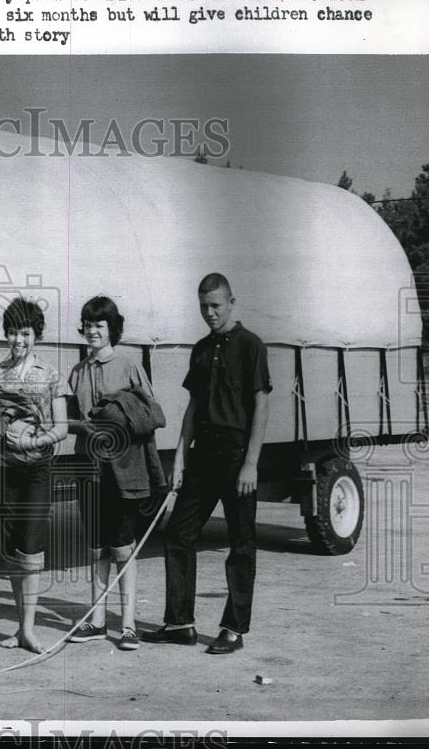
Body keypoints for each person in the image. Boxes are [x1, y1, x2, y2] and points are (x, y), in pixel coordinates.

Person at [143, 273, 270, 654]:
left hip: (236, 454)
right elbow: (193, 408)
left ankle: (233, 629)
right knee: (178, 534)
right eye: (203, 306)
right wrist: (180, 459)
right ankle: (180, 623)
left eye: (216, 305)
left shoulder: (252, 346)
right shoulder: (200, 349)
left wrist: (252, 463)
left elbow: (261, 405)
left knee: (241, 542)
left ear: (232, 302)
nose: (210, 313)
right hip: (202, 454)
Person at [67, 295, 168, 650]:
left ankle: (127, 625)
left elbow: (151, 414)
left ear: (112, 329)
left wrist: (118, 419)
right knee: (97, 548)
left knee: (124, 547)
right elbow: (71, 420)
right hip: (90, 469)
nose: (93, 331)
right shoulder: (77, 372)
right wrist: (83, 426)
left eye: (100, 325)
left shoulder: (129, 365)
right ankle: (96, 620)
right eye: (88, 325)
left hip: (124, 470)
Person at [0, 297, 68, 654]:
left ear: (36, 335)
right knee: (12, 551)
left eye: (26, 333)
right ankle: (20, 627)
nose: (18, 340)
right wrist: (2, 430)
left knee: (31, 548)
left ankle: (29, 631)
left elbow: (61, 428)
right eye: (13, 332)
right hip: (2, 469)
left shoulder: (49, 374)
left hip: (36, 470)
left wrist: (34, 438)